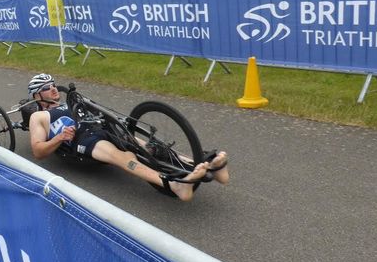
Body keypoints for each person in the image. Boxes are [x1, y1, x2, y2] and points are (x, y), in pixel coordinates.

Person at [26, 74, 229, 201]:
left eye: (53, 84)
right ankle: (174, 186)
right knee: (124, 158)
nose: (53, 88)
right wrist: (60, 137)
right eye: (45, 87)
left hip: (101, 125)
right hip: (82, 139)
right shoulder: (39, 116)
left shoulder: (72, 101)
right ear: (37, 96)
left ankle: (206, 165)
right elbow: (38, 150)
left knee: (151, 147)